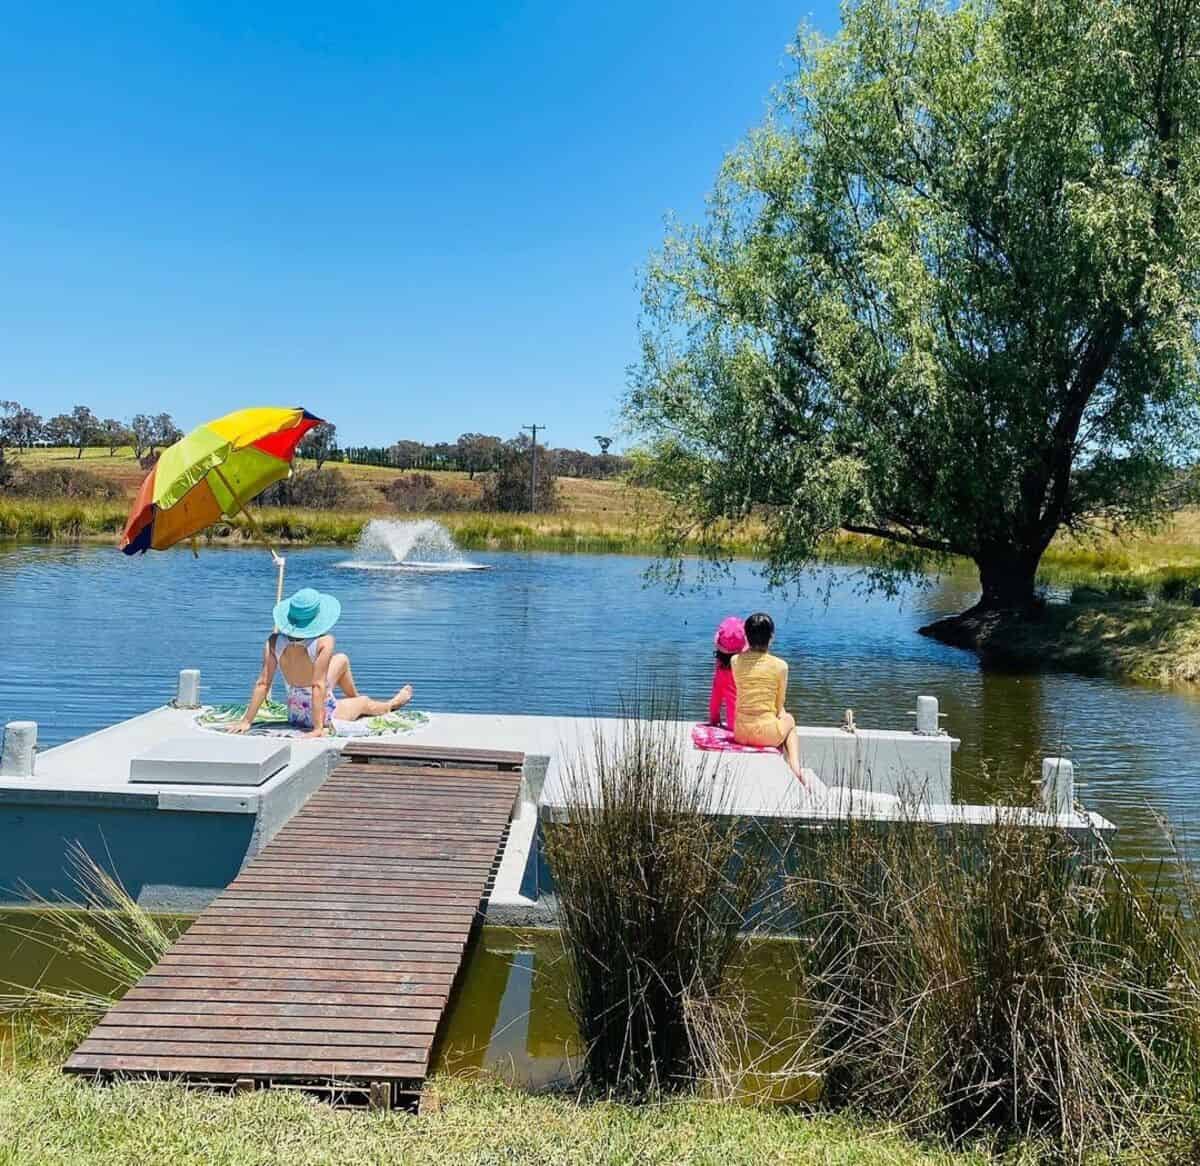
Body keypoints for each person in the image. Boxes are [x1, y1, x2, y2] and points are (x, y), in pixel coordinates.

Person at [230, 587, 413, 738]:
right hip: (322, 714)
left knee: (341, 660)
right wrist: (318, 728)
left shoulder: (274, 641)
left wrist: (247, 721)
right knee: (365, 702)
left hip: (295, 713)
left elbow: (263, 683)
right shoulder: (324, 642)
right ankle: (390, 704)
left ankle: (352, 701)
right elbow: (317, 685)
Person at [732, 612, 808, 785]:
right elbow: (778, 704)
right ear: (771, 637)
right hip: (766, 734)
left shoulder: (735, 661)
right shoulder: (781, 666)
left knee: (778, 718)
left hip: (740, 733)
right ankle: (795, 767)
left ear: (746, 636)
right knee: (789, 719)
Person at [708, 615, 746, 730]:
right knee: (732, 699)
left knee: (716, 696)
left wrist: (714, 718)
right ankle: (732, 725)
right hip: (736, 726)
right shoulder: (739, 665)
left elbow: (715, 698)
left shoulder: (719, 664)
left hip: (721, 672)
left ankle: (714, 720)